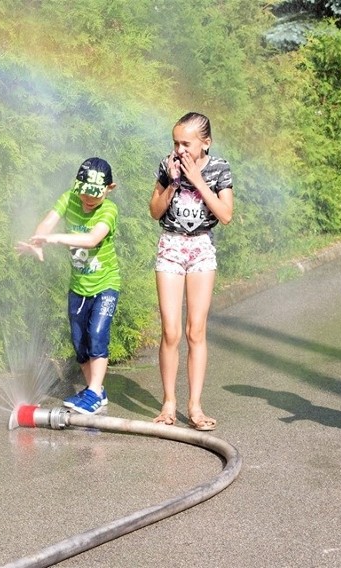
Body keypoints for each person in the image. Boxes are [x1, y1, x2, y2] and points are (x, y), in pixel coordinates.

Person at [148, 112, 233, 431]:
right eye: (175, 142)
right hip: (170, 246)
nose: (179, 149)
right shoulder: (167, 164)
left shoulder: (219, 168)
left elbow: (225, 215)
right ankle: (168, 403)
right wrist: (171, 182)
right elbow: (155, 211)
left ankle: (195, 407)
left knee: (195, 331)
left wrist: (197, 180)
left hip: (201, 249)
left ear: (205, 143)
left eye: (186, 143)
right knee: (170, 330)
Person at [16, 157, 120, 415]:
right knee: (80, 343)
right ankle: (95, 388)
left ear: (109, 189)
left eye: (95, 195)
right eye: (84, 193)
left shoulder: (109, 210)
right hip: (79, 286)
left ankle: (94, 393)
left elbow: (91, 238)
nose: (88, 200)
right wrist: (38, 241)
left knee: (97, 335)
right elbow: (48, 222)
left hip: (106, 284)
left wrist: (53, 239)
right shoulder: (69, 198)